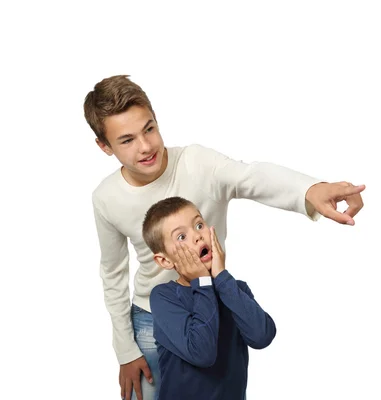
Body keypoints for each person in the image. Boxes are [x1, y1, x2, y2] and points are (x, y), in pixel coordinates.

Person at [84, 74, 365, 400]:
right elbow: (113, 272)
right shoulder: (106, 197)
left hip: (215, 303)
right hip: (151, 315)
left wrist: (310, 189)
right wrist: (125, 350)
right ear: (105, 146)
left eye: (149, 128)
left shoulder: (196, 162)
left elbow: (251, 176)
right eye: (127, 140)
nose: (146, 146)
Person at [143, 196, 275, 399]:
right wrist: (203, 282)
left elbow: (262, 336)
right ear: (165, 260)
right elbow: (202, 354)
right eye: (181, 237)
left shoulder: (234, 288)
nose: (197, 236)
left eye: (199, 225)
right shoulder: (164, 297)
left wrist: (221, 278)